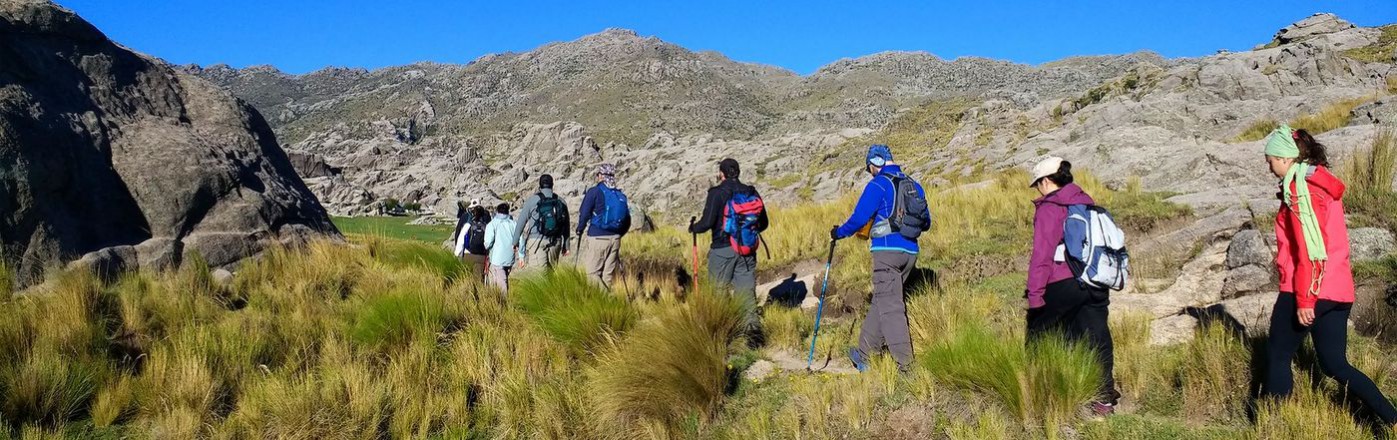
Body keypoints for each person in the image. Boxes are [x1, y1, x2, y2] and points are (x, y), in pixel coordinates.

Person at [1261, 125, 1397, 425]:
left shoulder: (1300, 190)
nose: (1268, 166)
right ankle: (1392, 419)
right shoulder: (1321, 184)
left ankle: (1270, 426)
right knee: (1336, 365)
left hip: (1306, 289)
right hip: (1339, 290)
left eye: (1270, 159)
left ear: (1285, 158)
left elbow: (1313, 249)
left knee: (1278, 355)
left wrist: (1306, 300)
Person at [1024, 156, 1119, 415]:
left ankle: (1039, 392)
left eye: (1038, 185)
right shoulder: (1085, 202)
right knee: (1096, 336)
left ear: (1045, 181)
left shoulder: (1050, 206)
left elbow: (1041, 255)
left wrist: (1035, 296)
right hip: (1095, 280)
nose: (1038, 190)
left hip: (1062, 281)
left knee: (1038, 333)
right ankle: (1103, 399)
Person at [830, 145, 925, 374]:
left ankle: (907, 369)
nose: (870, 172)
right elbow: (927, 222)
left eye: (869, 167)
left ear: (875, 162)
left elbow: (859, 218)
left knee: (891, 308)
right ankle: (864, 354)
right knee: (883, 300)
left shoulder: (878, 184)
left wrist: (839, 233)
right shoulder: (915, 185)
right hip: (910, 252)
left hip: (886, 252)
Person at [689, 158, 769, 301]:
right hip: (747, 248)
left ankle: (724, 322)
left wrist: (693, 227)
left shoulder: (716, 193)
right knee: (747, 295)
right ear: (738, 172)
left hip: (722, 250)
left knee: (718, 294)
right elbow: (763, 223)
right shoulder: (751, 192)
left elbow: (706, 223)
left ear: (721, 174)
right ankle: (750, 323)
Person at [576, 163, 632, 288]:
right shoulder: (620, 195)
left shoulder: (594, 191)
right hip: (615, 239)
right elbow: (627, 219)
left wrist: (580, 228)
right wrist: (618, 235)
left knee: (592, 274)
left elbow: (584, 213)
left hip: (598, 237)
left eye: (598, 174)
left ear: (601, 176)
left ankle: (609, 301)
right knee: (607, 276)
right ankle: (605, 306)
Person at [513, 174, 571, 274]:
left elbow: (521, 222)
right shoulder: (561, 201)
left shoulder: (532, 200)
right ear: (552, 185)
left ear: (539, 185)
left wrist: (515, 241)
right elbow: (566, 225)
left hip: (536, 241)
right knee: (551, 274)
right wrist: (566, 246)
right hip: (555, 241)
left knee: (538, 277)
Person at [483, 203, 518, 294]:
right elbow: (520, 239)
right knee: (503, 277)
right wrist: (521, 255)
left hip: (497, 258)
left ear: (497, 211)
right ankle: (498, 299)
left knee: (501, 281)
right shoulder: (514, 223)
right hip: (510, 257)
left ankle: (503, 302)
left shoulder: (492, 224)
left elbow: (487, 243)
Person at [452, 203, 490, 283]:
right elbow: (488, 243)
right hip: (481, 256)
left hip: (468, 254)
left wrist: (457, 255)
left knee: (467, 279)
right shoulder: (486, 227)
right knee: (478, 281)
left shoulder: (468, 225)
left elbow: (461, 241)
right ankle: (478, 294)